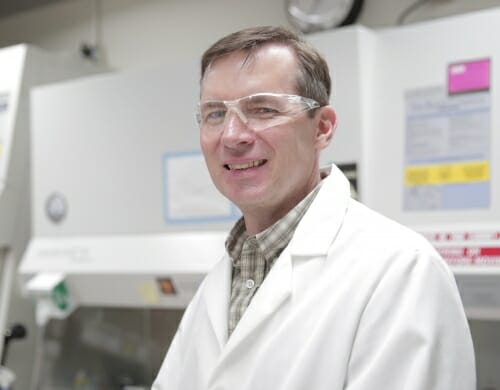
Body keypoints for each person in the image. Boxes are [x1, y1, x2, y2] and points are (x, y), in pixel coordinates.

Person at [153, 26, 475, 390]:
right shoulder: (223, 278)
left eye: (262, 109)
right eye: (214, 114)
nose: (232, 135)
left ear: (322, 128)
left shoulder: (402, 271)